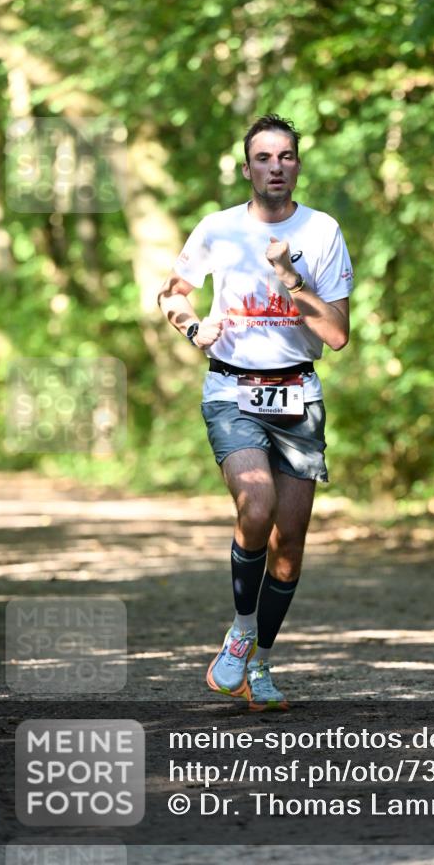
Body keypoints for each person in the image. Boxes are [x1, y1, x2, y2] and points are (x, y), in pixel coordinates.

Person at [158, 114, 353, 710]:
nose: (275, 166)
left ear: (297, 166)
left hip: (299, 395)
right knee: (256, 504)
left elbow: (339, 335)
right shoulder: (217, 229)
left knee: (289, 544)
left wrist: (292, 279)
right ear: (248, 169)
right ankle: (242, 631)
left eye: (286, 156)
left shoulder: (321, 231)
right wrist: (193, 326)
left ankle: (260, 663)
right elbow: (171, 292)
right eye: (263, 158)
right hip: (231, 389)